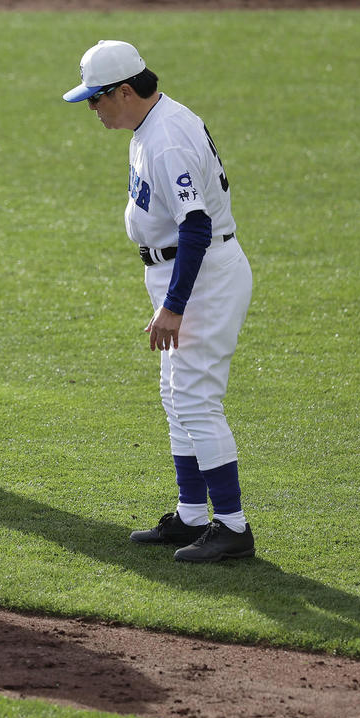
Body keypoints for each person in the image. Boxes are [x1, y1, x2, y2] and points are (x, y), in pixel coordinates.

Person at [63, 39, 255, 563]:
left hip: (202, 277)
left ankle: (232, 526)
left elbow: (196, 225)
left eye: (96, 100)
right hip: (186, 272)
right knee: (176, 396)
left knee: (195, 399)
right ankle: (192, 515)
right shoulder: (153, 122)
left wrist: (174, 305)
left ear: (125, 91)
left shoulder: (166, 138)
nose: (92, 110)